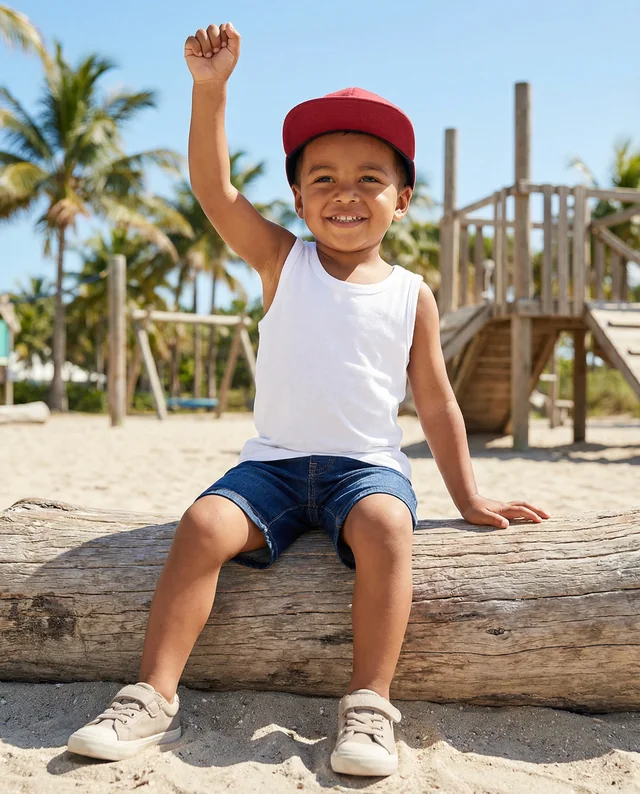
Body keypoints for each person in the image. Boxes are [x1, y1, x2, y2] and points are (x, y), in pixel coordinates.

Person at [67, 21, 549, 777]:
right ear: (297, 197)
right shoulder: (281, 259)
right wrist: (210, 91)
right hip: (274, 468)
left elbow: (437, 405)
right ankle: (151, 698)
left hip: (364, 470)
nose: (345, 193)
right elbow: (213, 189)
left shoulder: (412, 295)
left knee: (390, 525)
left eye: (369, 178)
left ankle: (366, 707)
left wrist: (471, 497)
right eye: (322, 178)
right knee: (200, 522)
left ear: (403, 199)